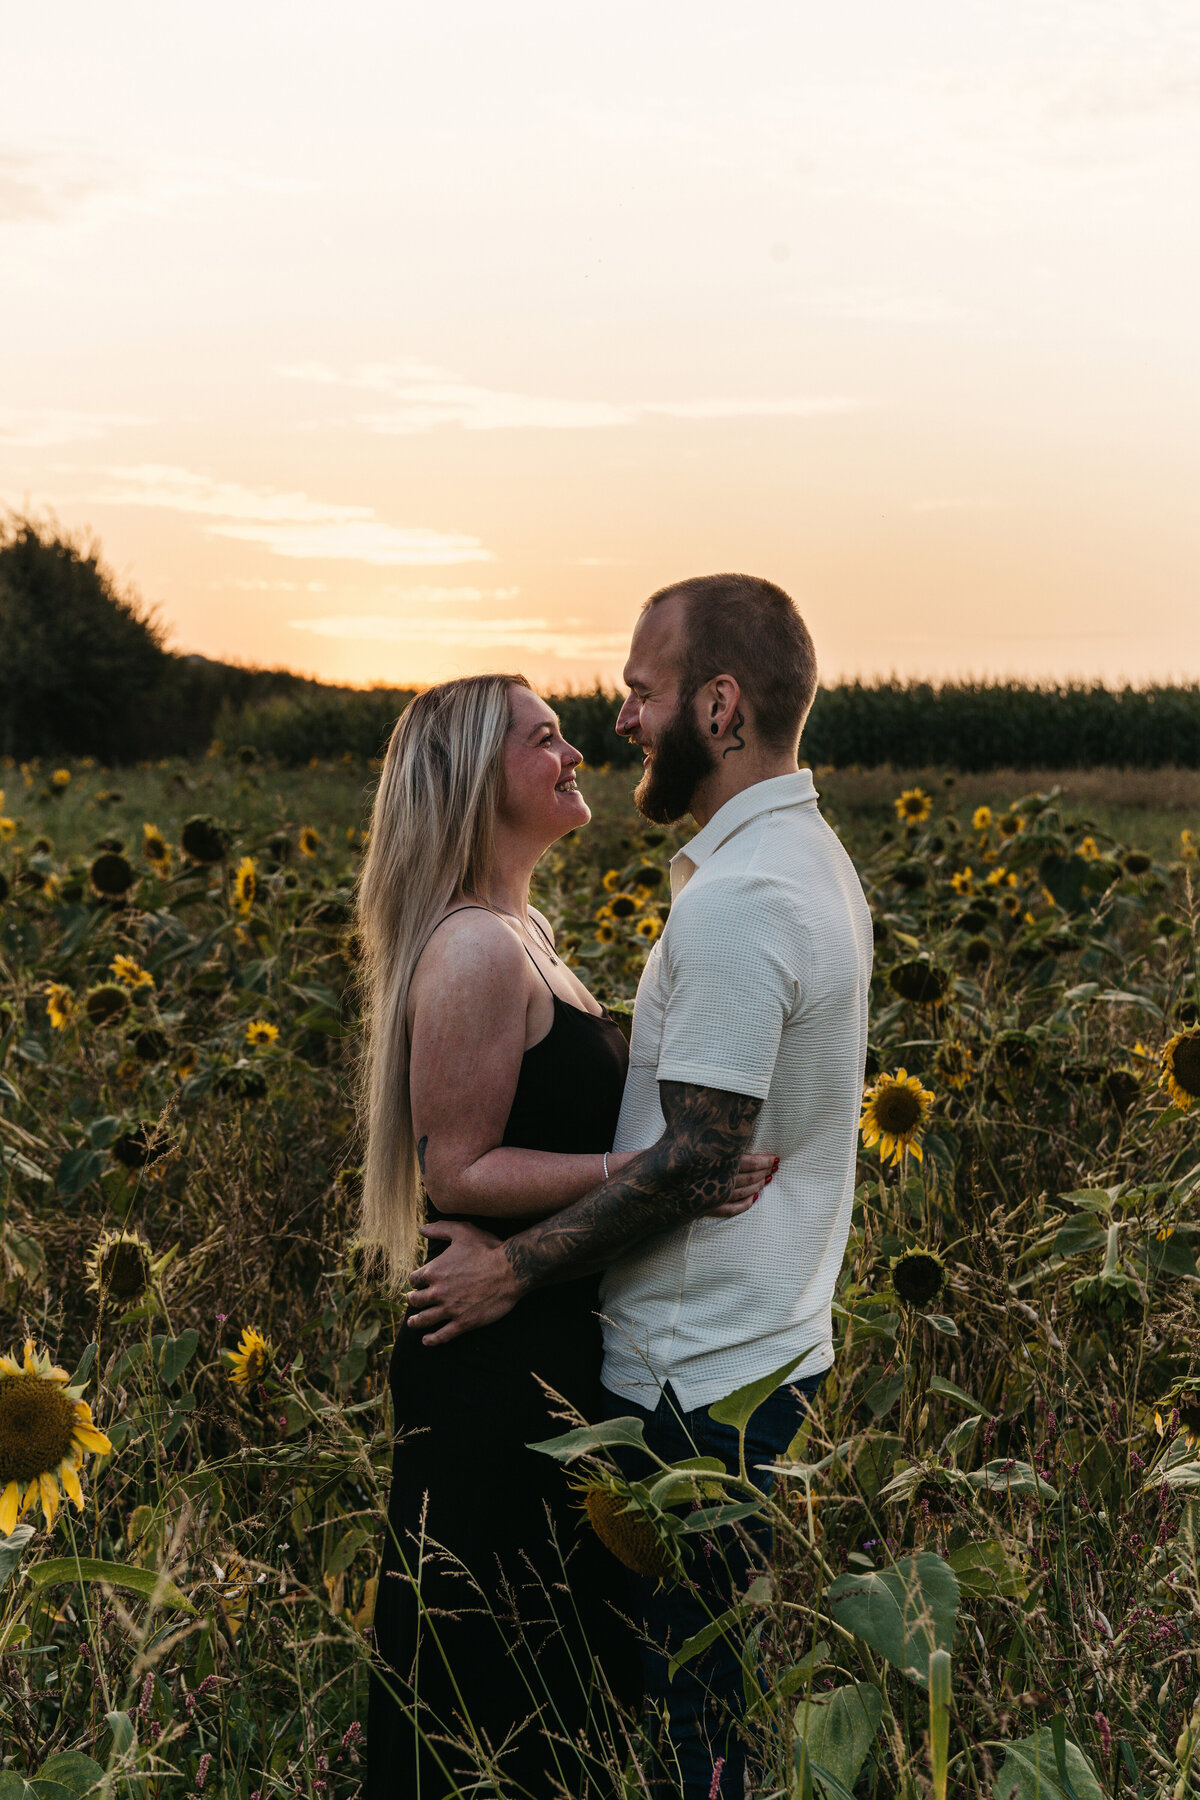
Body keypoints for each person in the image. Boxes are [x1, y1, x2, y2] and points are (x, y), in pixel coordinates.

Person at [403, 574, 873, 1800]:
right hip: (736, 1350)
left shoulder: (740, 901)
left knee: (683, 1713)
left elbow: (699, 1161)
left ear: (719, 709)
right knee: (654, 1701)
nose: (616, 721)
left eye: (637, 692)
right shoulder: (803, 862)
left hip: (692, 1376)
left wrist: (508, 1269)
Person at [357, 672, 773, 1799]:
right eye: (545, 741)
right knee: (488, 1685)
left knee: (552, 1681)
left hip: (544, 1334)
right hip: (491, 1367)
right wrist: (649, 1172)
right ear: (475, 781)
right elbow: (456, 1167)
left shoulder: (524, 932)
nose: (577, 753)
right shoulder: (474, 950)